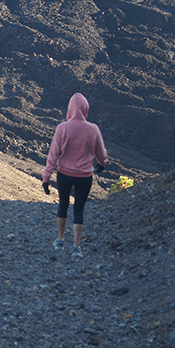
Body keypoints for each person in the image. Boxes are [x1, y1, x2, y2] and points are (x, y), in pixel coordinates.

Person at [42, 92, 106, 257]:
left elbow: (53, 155)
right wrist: (100, 165)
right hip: (85, 176)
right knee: (79, 209)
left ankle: (60, 240)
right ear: (85, 109)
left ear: (69, 109)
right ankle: (76, 247)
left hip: (64, 174)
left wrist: (46, 178)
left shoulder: (62, 128)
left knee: (63, 205)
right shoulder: (93, 129)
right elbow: (101, 153)